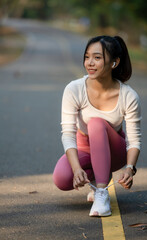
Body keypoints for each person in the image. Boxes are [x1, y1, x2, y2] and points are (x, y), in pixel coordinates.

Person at [53, 35, 141, 217]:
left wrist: (130, 168)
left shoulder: (128, 95)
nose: (90, 63)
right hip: (85, 149)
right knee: (62, 179)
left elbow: (134, 140)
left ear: (114, 63)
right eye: (87, 57)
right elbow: (68, 134)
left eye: (97, 57)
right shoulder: (74, 89)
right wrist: (77, 169)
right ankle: (96, 174)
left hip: (115, 151)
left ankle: (101, 193)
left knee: (96, 123)